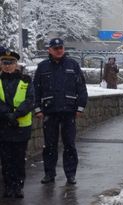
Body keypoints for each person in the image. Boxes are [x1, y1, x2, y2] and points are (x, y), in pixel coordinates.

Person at [34, 38, 88, 185]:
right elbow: (35, 90)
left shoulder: (73, 65)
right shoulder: (43, 67)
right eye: (56, 48)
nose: (59, 50)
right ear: (49, 50)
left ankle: (70, 175)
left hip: (68, 111)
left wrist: (80, 107)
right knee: (50, 145)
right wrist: (37, 109)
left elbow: (81, 89)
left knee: (69, 145)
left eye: (61, 48)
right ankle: (49, 174)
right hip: (49, 111)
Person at [0, 49, 34, 198]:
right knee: (6, 160)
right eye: (4, 62)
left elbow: (30, 100)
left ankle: (18, 186)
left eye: (11, 63)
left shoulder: (25, 80)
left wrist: (16, 114)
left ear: (16, 64)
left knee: (19, 159)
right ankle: (8, 186)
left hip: (21, 126)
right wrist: (7, 115)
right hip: (3, 126)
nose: (7, 66)